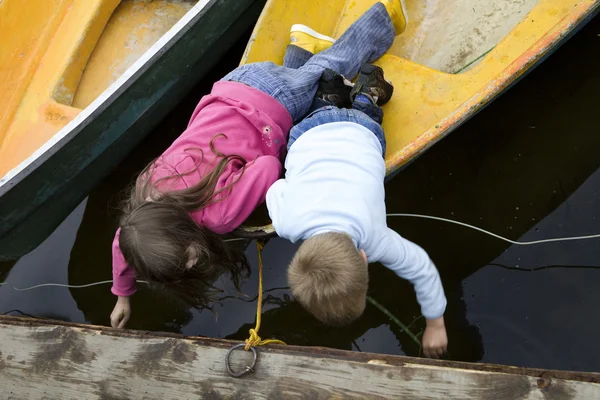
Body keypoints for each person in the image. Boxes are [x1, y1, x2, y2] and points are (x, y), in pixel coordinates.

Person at [110, 0, 410, 329]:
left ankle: (382, 19)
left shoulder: (219, 215)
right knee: (304, 80)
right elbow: (123, 242)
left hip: (272, 103)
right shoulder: (146, 194)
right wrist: (122, 294)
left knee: (333, 66)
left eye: (187, 256)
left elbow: (267, 167)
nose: (192, 260)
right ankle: (300, 50)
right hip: (234, 85)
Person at [266, 67, 448, 358]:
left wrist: (435, 325)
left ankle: (367, 95)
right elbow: (275, 190)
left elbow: (422, 269)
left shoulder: (376, 241)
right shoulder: (288, 224)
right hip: (308, 132)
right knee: (307, 130)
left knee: (368, 120)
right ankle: (328, 95)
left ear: (364, 258)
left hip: (364, 131)